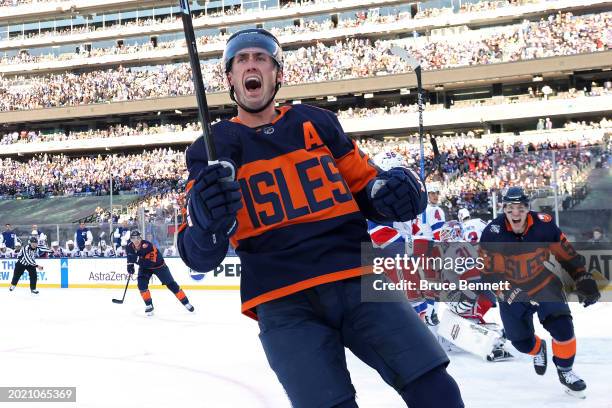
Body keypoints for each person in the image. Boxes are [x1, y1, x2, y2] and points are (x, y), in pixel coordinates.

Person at [178, 29, 463, 408]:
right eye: (242, 59)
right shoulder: (211, 150)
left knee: (437, 391)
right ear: (230, 78)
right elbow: (198, 253)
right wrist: (205, 224)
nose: (252, 64)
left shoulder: (316, 123)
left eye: (261, 58)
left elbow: (369, 188)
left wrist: (396, 194)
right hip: (282, 300)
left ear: (278, 74)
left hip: (357, 277)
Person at [479, 186, 601, 398]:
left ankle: (565, 370)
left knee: (563, 326)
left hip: (541, 282)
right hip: (510, 290)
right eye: (510, 208)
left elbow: (567, 255)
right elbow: (488, 274)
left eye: (520, 207)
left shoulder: (544, 225)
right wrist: (510, 293)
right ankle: (538, 349)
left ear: (528, 208)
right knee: (521, 342)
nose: (515, 213)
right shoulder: (492, 232)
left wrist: (582, 275)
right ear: (503, 209)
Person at [127, 230, 194, 316]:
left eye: (138, 238)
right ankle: (149, 305)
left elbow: (150, 263)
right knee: (141, 285)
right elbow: (130, 256)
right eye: (133, 238)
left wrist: (136, 260)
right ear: (131, 239)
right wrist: (130, 266)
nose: (136, 241)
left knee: (171, 284)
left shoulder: (148, 246)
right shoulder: (129, 246)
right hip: (144, 267)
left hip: (159, 266)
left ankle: (186, 302)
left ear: (141, 238)